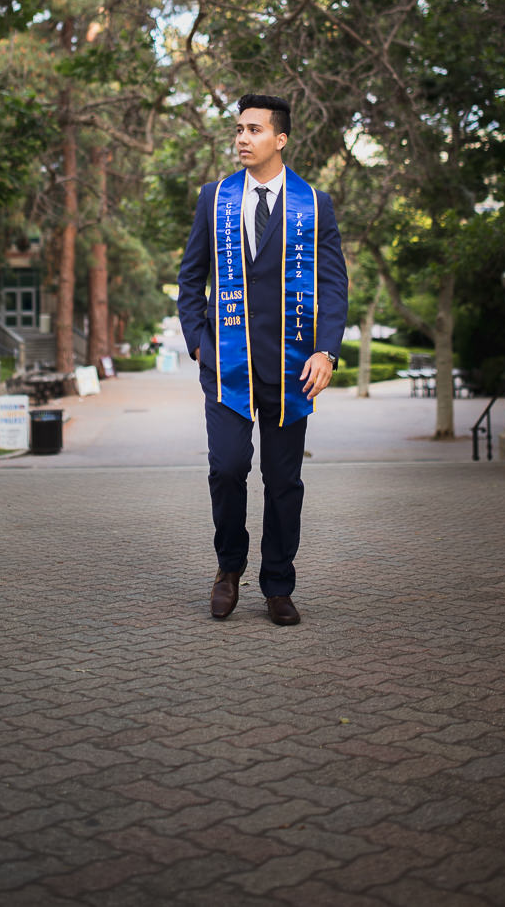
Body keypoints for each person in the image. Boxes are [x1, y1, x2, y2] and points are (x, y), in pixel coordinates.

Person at [177, 94, 349, 626]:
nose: (242, 138)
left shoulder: (314, 205)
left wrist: (327, 350)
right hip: (226, 366)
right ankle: (228, 570)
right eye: (238, 129)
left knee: (283, 481)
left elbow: (333, 284)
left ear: (281, 138)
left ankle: (277, 584)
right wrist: (199, 343)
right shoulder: (215, 198)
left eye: (254, 129)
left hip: (292, 367)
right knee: (227, 469)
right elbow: (190, 278)